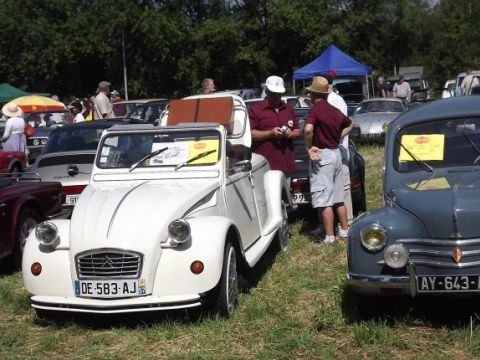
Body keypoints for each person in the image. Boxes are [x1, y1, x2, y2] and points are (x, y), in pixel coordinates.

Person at [304, 76, 353, 244]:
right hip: (336, 153)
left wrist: (309, 147)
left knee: (325, 200)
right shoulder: (334, 110)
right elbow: (350, 123)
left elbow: (309, 129)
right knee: (339, 197)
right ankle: (345, 231)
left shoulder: (315, 110)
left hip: (323, 155)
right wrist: (339, 136)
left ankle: (330, 236)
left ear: (313, 94)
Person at [249, 75, 301, 174]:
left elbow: (297, 130)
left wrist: (291, 134)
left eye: (279, 94)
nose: (277, 96)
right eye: (274, 93)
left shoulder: (289, 109)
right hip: (266, 166)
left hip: (287, 164)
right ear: (267, 91)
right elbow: (251, 134)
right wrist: (270, 133)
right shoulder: (255, 110)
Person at [323, 71, 354, 228]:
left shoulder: (336, 100)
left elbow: (344, 125)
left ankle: (347, 222)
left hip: (338, 149)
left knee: (343, 188)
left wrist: (331, 139)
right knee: (327, 188)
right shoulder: (322, 100)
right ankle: (329, 223)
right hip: (326, 151)